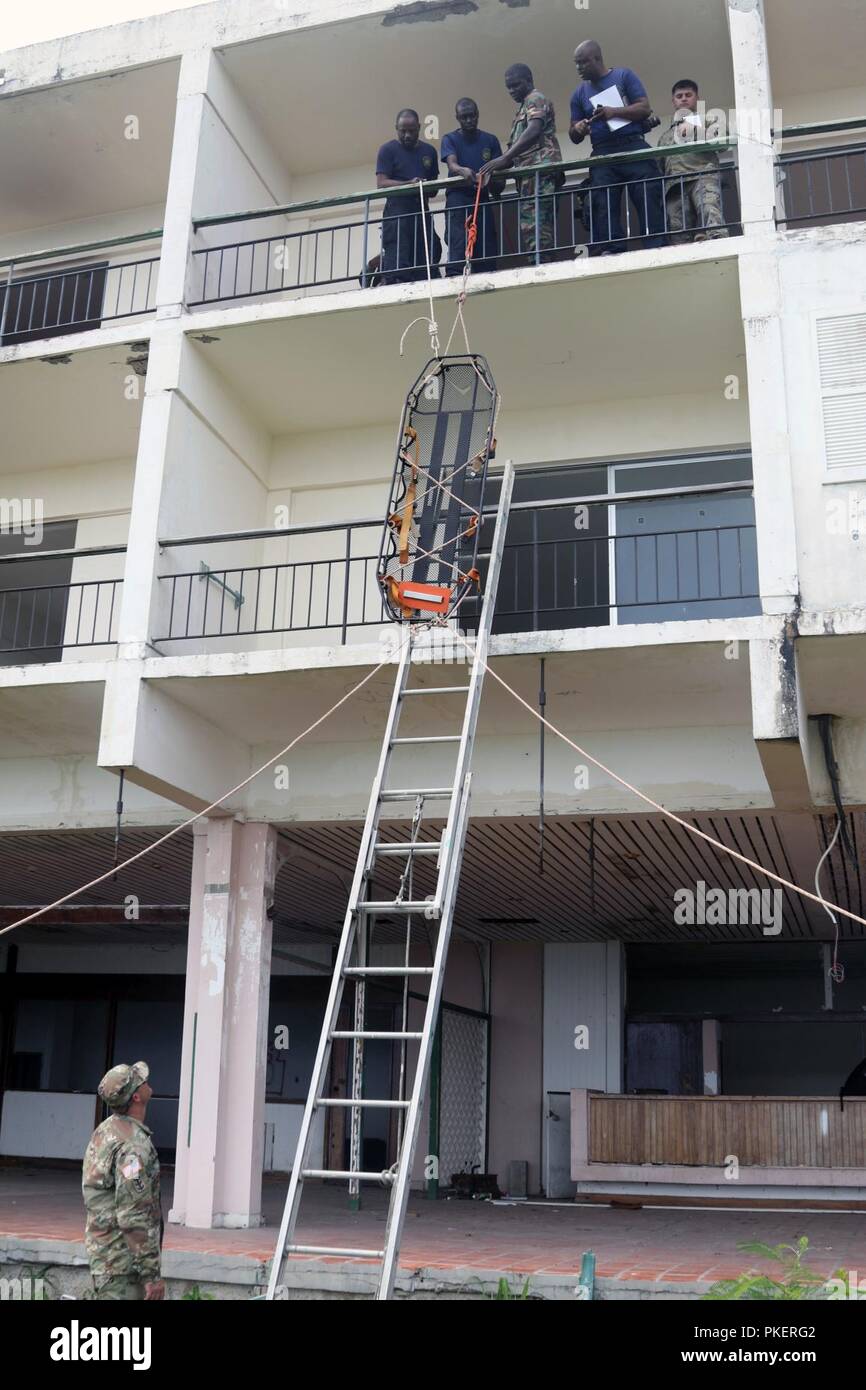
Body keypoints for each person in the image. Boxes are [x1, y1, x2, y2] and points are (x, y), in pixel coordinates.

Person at [568, 40, 666, 255]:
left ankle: (655, 246)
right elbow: (573, 135)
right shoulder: (578, 94)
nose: (578, 69)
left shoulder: (624, 76)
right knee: (602, 201)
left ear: (596, 59)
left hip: (633, 144)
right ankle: (612, 249)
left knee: (647, 194)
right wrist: (579, 128)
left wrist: (614, 112)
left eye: (582, 63)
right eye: (576, 64)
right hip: (603, 150)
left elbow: (644, 108)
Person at [82, 1060, 164, 1301]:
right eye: (143, 1081)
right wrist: (151, 1275)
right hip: (123, 1267)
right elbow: (133, 1213)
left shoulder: (106, 1129)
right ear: (136, 1097)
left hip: (108, 1257)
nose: (148, 1083)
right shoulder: (132, 1147)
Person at [479, 64, 563, 261]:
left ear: (528, 80)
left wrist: (505, 157)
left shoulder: (535, 98)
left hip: (540, 173)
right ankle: (538, 260)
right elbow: (514, 153)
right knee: (531, 225)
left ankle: (542, 263)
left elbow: (534, 131)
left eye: (515, 85)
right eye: (508, 87)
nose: (511, 91)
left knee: (538, 223)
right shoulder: (521, 110)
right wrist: (494, 166)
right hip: (528, 178)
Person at [658, 80, 729, 245]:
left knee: (710, 213)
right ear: (673, 101)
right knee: (678, 232)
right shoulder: (665, 136)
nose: (683, 99)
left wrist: (695, 128)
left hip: (703, 176)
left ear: (697, 98)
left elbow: (722, 142)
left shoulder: (708, 119)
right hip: (675, 185)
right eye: (679, 96)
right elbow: (659, 168)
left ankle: (718, 243)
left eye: (688, 95)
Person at [375, 110, 441, 284]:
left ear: (419, 127)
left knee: (425, 254)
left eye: (412, 130)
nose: (407, 135)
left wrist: (423, 186)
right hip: (397, 212)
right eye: (403, 131)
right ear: (396, 128)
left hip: (421, 211)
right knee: (398, 256)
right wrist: (409, 184)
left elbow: (433, 191)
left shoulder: (429, 151)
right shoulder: (387, 149)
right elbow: (381, 183)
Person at [441, 99, 503, 275]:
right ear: (457, 118)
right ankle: (456, 276)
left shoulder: (490, 140)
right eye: (464, 117)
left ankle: (487, 274)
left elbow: (499, 181)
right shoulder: (450, 139)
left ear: (478, 114)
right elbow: (452, 164)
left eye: (472, 116)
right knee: (458, 241)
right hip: (458, 199)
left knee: (485, 242)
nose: (469, 120)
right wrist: (462, 171)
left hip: (482, 198)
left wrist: (490, 179)